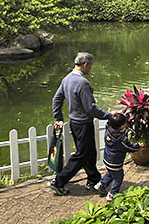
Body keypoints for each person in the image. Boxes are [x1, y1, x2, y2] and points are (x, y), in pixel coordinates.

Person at [50, 52, 111, 196]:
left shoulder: (67, 79)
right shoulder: (83, 83)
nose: (91, 68)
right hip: (84, 124)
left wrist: (58, 117)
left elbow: (56, 100)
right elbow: (91, 108)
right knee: (82, 155)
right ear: (85, 65)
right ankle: (59, 181)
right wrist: (109, 116)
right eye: (90, 66)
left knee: (89, 153)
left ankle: (94, 179)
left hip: (74, 123)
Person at [93, 112, 141, 202]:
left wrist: (115, 116)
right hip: (115, 162)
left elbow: (109, 122)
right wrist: (138, 146)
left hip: (107, 159)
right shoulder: (120, 140)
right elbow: (129, 147)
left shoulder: (108, 129)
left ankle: (101, 185)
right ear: (121, 126)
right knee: (118, 177)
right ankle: (112, 194)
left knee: (111, 173)